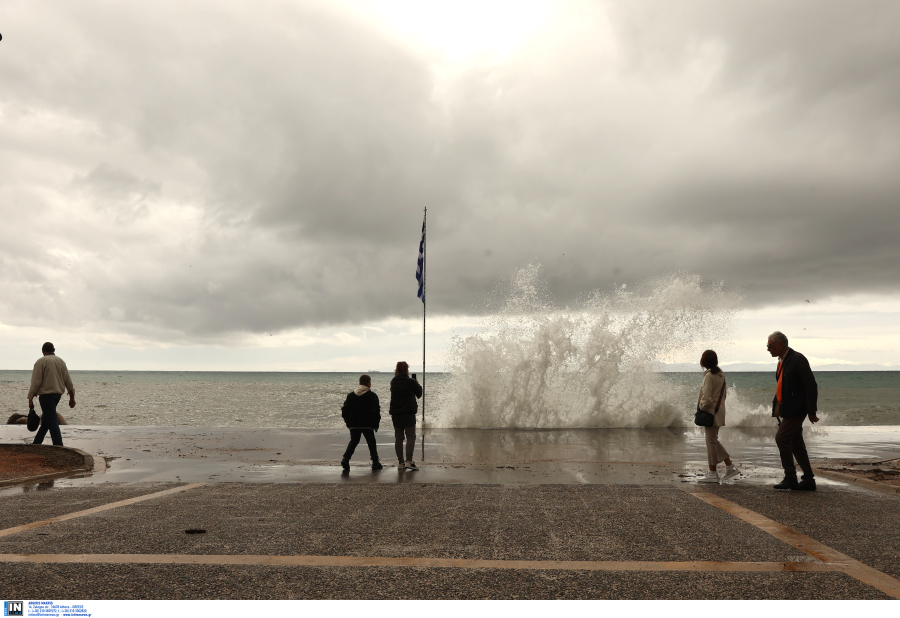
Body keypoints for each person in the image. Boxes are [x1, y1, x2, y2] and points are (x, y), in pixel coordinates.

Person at [767, 331, 819, 491]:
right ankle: (808, 479)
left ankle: (790, 477)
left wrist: (811, 411)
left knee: (781, 438)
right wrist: (777, 405)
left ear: (780, 344)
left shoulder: (797, 359)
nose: (768, 349)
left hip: (797, 409)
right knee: (796, 444)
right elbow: (783, 385)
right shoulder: (782, 361)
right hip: (788, 409)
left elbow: (811, 385)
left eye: (770, 346)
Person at [697, 350, 740, 483]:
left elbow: (707, 397)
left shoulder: (709, 376)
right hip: (718, 412)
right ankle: (729, 467)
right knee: (713, 440)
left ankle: (713, 473)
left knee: (710, 442)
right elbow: (724, 395)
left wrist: (701, 408)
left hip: (710, 413)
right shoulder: (720, 375)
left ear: (704, 362)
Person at [27, 342, 76, 446]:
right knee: (46, 421)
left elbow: (36, 382)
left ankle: (59, 445)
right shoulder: (61, 361)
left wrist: (30, 398)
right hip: (57, 395)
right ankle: (36, 443)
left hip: (46, 396)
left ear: (42, 351)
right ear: (54, 350)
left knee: (52, 421)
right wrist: (72, 397)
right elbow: (68, 380)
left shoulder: (41, 361)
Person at [340, 374, 382, 471]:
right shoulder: (372, 396)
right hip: (368, 424)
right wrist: (376, 424)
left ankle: (346, 458)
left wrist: (347, 421)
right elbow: (376, 411)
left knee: (354, 441)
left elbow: (345, 410)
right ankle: (375, 462)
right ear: (369, 384)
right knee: (371, 442)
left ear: (359, 383)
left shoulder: (351, 396)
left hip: (354, 424)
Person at [389, 361, 422, 470]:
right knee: (410, 436)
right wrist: (417, 383)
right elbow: (419, 394)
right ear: (406, 369)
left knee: (399, 438)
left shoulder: (393, 381)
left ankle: (400, 462)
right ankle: (409, 461)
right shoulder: (411, 381)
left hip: (396, 413)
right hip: (408, 413)